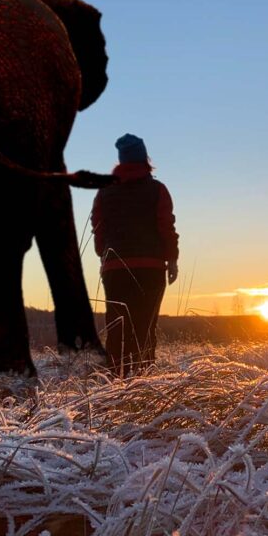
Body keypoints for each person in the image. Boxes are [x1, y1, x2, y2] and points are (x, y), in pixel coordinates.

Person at [91, 134, 179, 376]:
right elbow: (166, 227)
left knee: (118, 330)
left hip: (115, 269)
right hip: (151, 269)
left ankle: (116, 385)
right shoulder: (158, 190)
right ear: (145, 158)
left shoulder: (105, 192)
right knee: (145, 329)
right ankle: (143, 387)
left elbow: (98, 227)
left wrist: (104, 255)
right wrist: (172, 259)